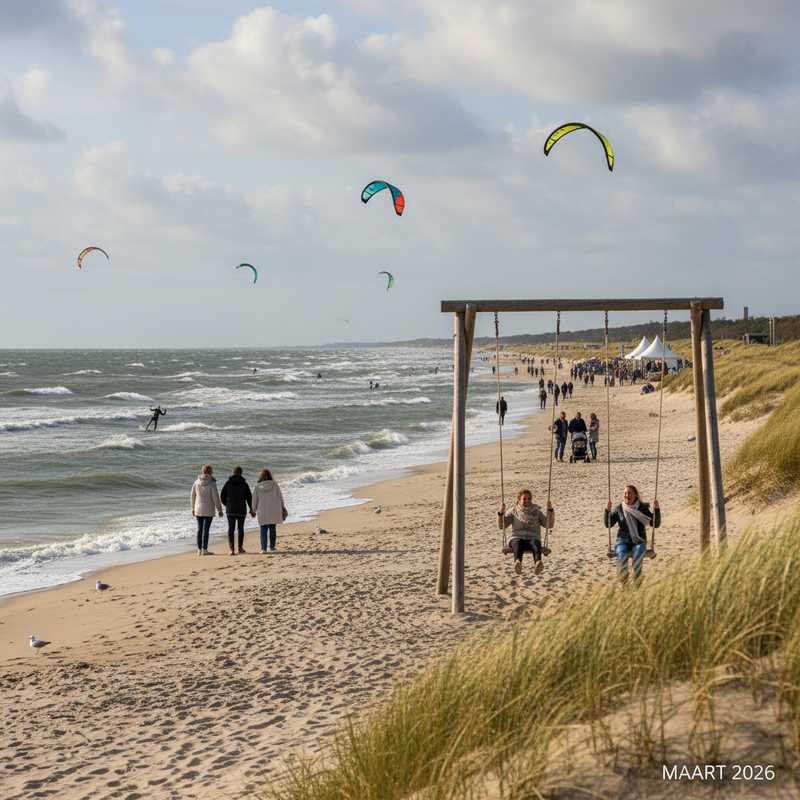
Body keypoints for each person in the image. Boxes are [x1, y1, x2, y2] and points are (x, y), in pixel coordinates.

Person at [604, 485, 660, 583]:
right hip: (622, 540)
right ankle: (624, 582)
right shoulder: (619, 509)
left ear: (635, 495)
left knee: (637, 557)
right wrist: (607, 511)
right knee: (621, 555)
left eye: (629, 493)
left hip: (639, 541)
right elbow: (608, 524)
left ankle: (637, 583)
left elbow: (655, 524)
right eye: (625, 493)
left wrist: (657, 510)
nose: (627, 495)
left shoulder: (642, 508)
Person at [498, 489, 554, 575]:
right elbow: (502, 526)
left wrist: (550, 511)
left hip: (533, 537)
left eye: (529, 499)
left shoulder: (537, 511)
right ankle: (517, 562)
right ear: (519, 500)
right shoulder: (513, 511)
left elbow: (549, 525)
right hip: (517, 537)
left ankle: (538, 563)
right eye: (524, 499)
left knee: (535, 543)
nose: (527, 501)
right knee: (517, 543)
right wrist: (501, 513)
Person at [251, 468, 287, 553]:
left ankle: (263, 549)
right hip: (274, 510)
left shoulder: (257, 487)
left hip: (262, 511)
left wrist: (253, 510)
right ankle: (272, 547)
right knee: (272, 529)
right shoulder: (275, 485)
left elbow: (254, 500)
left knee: (263, 529)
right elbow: (280, 497)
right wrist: (282, 506)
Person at [191, 464, 223, 555]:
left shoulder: (196, 482)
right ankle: (204, 549)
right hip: (208, 509)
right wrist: (219, 510)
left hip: (198, 508)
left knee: (199, 529)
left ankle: (198, 549)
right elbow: (215, 497)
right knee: (206, 529)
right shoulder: (212, 483)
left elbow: (192, 496)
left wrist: (192, 507)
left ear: (202, 471)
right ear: (210, 472)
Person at [220, 466, 253, 555]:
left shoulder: (228, 483)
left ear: (233, 473)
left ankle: (231, 549)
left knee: (231, 529)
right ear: (241, 473)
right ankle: (240, 548)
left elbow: (222, 495)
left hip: (230, 509)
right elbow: (249, 498)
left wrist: (226, 504)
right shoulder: (244, 484)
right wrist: (251, 509)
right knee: (240, 529)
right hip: (241, 509)